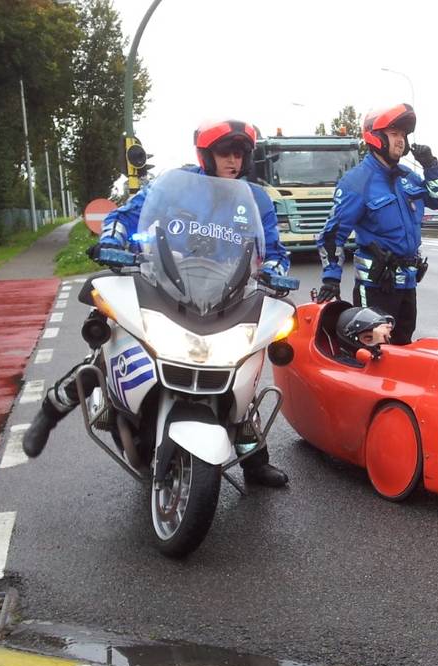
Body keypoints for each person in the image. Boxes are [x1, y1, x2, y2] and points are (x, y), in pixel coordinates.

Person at [22, 119, 291, 487]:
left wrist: (276, 269)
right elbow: (124, 216)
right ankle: (51, 410)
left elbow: (273, 249)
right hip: (165, 281)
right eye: (225, 152)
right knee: (109, 347)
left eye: (240, 153)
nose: (234, 160)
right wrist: (114, 241)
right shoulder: (173, 186)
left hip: (226, 292)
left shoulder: (257, 198)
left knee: (243, 367)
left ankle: (254, 460)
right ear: (205, 155)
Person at [315, 104, 438, 345]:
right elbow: (332, 235)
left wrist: (430, 166)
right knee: (376, 353)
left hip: (407, 284)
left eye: (404, 135)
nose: (401, 141)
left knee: (403, 347)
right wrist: (331, 278)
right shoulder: (357, 181)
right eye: (394, 134)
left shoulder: (408, 176)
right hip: (376, 286)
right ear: (376, 138)